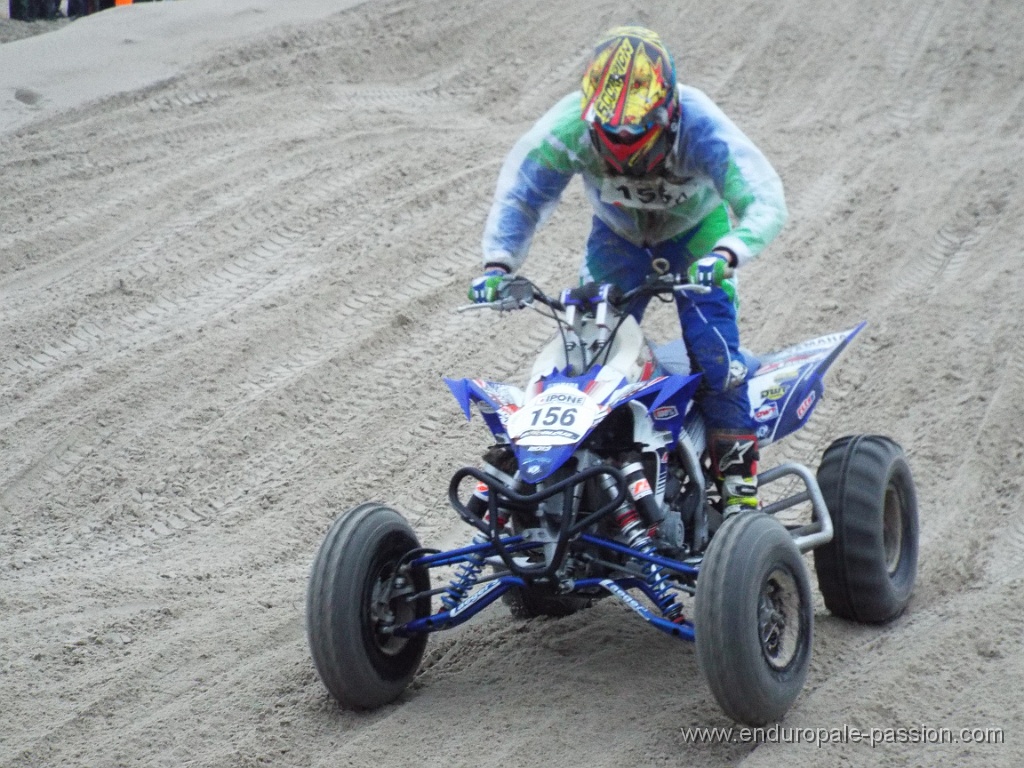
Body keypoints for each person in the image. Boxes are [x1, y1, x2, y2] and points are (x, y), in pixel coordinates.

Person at [469, 26, 788, 518]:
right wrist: (498, 265)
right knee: (584, 357)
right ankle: (580, 476)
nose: (622, 146)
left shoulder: (702, 125)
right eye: (611, 134)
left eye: (636, 133)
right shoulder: (568, 127)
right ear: (590, 113)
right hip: (617, 241)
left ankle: (739, 487)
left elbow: (764, 198)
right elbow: (521, 195)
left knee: (716, 360)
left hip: (698, 239)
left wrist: (726, 254)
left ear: (669, 112)